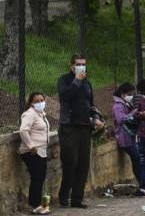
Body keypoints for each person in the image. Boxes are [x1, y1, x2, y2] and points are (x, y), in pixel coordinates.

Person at [57, 54, 103, 208]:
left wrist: (96, 117)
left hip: (85, 127)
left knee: (83, 164)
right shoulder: (64, 80)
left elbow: (91, 105)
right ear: (72, 66)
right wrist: (76, 79)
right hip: (69, 127)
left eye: (83, 64)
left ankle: (77, 198)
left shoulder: (87, 83)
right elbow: (65, 96)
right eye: (78, 64)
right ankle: (64, 195)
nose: (81, 66)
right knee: (70, 163)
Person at [18, 92, 51, 215]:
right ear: (31, 103)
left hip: (41, 151)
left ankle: (40, 204)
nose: (40, 103)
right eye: (36, 101)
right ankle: (35, 205)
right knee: (37, 178)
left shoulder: (42, 114)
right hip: (32, 151)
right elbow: (23, 130)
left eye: (42, 100)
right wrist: (31, 146)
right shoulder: (29, 114)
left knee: (40, 178)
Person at [112, 82, 145, 196]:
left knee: (137, 158)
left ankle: (142, 184)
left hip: (129, 135)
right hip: (123, 136)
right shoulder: (118, 105)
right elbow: (121, 119)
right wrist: (133, 113)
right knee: (136, 158)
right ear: (123, 93)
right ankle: (142, 184)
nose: (131, 96)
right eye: (129, 94)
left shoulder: (124, 103)